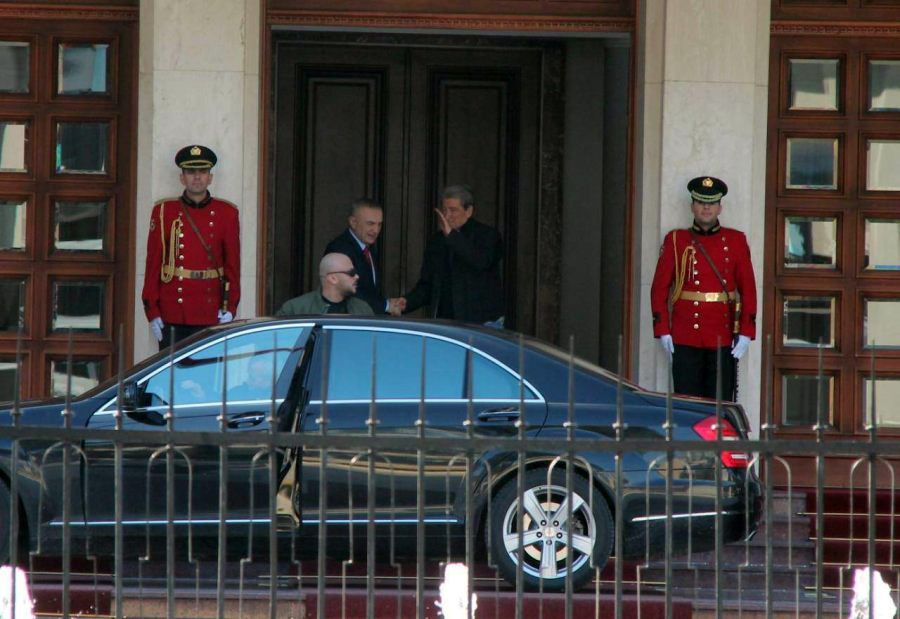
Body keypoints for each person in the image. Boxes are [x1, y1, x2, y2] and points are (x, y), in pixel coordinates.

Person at [650, 176, 757, 401]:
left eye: (711, 203)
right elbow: (660, 288)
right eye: (700, 202)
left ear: (720, 207)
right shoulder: (676, 240)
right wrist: (662, 329)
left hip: (722, 334)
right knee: (686, 404)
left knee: (719, 406)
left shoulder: (736, 241)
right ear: (692, 206)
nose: (706, 207)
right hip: (685, 335)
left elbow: (749, 289)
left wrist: (747, 331)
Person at [142, 144, 240, 349]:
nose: (197, 177)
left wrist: (230, 307)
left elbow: (233, 266)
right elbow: (153, 265)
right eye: (190, 172)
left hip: (210, 310)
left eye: (203, 171)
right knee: (171, 377)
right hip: (173, 311)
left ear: (210, 177)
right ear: (182, 178)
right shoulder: (164, 211)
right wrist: (152, 310)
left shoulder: (227, 213)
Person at [397, 185, 504, 325]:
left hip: (482, 322)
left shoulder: (488, 236)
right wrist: (407, 302)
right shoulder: (437, 241)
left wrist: (453, 237)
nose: (447, 216)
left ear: (469, 211)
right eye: (444, 210)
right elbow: (428, 284)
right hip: (447, 322)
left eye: (453, 210)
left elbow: (482, 261)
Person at [323, 198, 404, 315]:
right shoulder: (340, 249)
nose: (376, 230)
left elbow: (370, 291)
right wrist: (386, 306)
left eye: (379, 224)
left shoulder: (368, 248)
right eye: (370, 223)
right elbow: (347, 290)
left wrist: (387, 303)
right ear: (353, 222)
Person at [275, 253, 374, 316]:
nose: (357, 276)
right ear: (333, 278)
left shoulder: (362, 309)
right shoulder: (295, 309)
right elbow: (276, 341)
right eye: (351, 273)